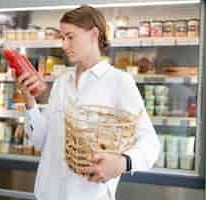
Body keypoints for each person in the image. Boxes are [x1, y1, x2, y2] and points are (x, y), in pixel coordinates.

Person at [16, 5, 160, 200]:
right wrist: (29, 99)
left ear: (93, 34)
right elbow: (43, 141)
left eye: (70, 37)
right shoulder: (61, 83)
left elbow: (151, 143)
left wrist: (122, 163)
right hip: (48, 194)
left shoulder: (119, 82)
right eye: (62, 38)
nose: (64, 45)